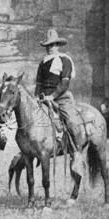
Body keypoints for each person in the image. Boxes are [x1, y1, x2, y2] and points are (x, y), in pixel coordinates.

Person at [35, 29, 82, 164]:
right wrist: (37, 96)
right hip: (44, 98)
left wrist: (53, 96)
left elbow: (64, 82)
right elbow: (38, 83)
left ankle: (77, 152)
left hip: (61, 97)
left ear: (58, 46)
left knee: (71, 121)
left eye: (53, 45)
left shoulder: (64, 60)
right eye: (47, 46)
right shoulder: (42, 62)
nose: (50, 48)